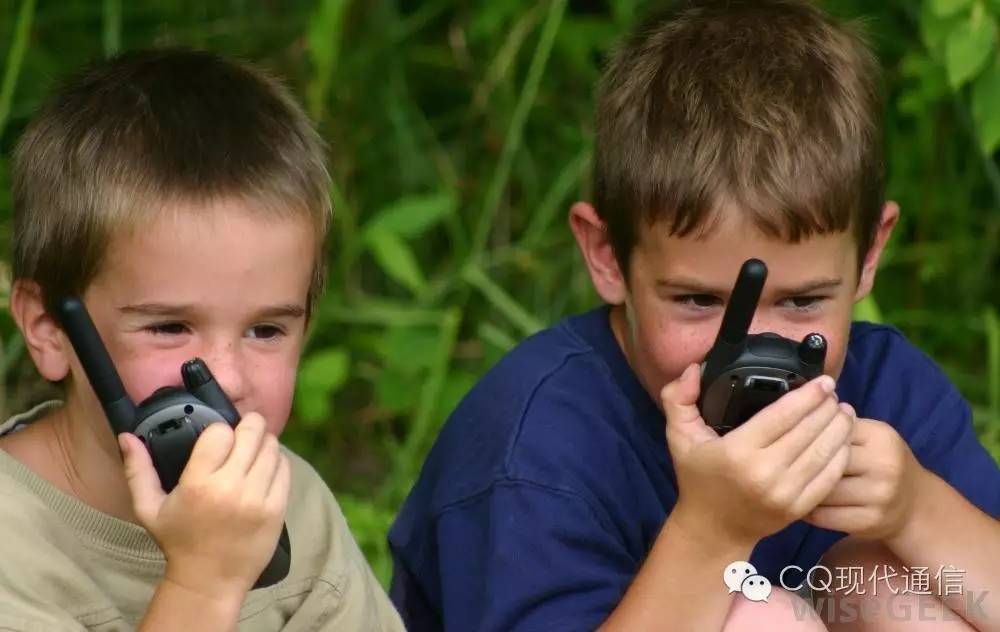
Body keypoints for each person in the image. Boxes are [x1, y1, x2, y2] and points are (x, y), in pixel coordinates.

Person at [387, 1, 1000, 630]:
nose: (755, 349)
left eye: (800, 301)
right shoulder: (535, 452)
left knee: (881, 582)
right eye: (701, 301)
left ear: (870, 253)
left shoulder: (888, 392)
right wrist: (712, 534)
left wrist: (917, 508)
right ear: (607, 257)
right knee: (758, 617)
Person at [0, 48, 403, 631]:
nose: (229, 378)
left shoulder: (292, 504)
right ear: (50, 329)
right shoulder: (15, 545)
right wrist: (202, 583)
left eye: (266, 330)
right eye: (169, 327)